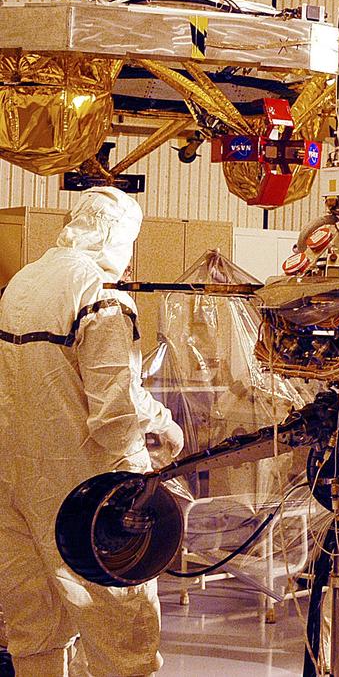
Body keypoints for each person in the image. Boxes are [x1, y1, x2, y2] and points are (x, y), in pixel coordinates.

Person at [0, 187, 184, 676]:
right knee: (122, 629)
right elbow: (114, 412)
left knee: (34, 627)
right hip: (86, 493)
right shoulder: (100, 296)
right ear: (115, 237)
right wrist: (159, 433)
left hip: (11, 482)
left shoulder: (22, 284)